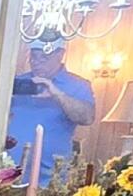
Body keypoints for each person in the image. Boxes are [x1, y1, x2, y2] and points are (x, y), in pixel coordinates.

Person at [6, 40, 96, 182]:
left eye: (44, 58)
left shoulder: (78, 85)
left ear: (60, 55)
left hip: (50, 176)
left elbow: (87, 118)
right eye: (33, 57)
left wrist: (57, 95)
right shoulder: (19, 82)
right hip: (9, 171)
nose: (36, 63)